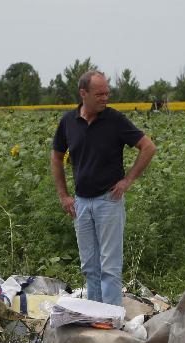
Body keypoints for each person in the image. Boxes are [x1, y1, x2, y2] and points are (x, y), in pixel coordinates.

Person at [50, 70, 156, 307]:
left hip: (108, 201)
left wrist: (127, 180)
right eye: (99, 94)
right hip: (80, 203)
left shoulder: (115, 120)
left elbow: (148, 147)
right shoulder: (68, 121)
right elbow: (56, 157)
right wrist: (63, 195)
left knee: (109, 266)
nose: (105, 98)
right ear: (83, 93)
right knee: (90, 266)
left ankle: (110, 320)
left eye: (107, 93)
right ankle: (94, 316)